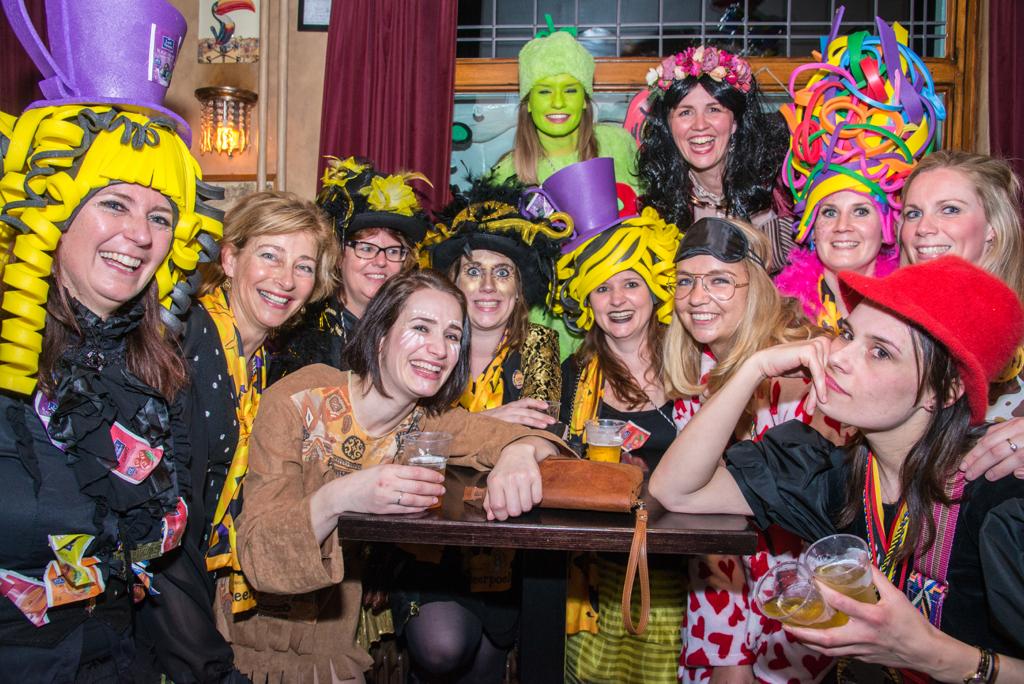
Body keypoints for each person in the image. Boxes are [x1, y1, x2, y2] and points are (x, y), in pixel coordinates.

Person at [650, 257, 1024, 682]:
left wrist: (936, 656)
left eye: (880, 352)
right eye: (846, 334)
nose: (840, 357)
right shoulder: (831, 473)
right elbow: (677, 490)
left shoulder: (1000, 501)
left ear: (944, 391)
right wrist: (755, 367)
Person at [0, 1, 224, 677]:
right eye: (113, 203)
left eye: (161, 215)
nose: (139, 235)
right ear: (54, 210)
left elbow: (165, 574)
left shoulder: (157, 368)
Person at [227, 269, 569, 682]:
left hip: (333, 641)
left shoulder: (425, 421)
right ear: (380, 335)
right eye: (421, 328)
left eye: (451, 336)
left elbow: (536, 438)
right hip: (257, 644)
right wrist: (343, 496)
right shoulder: (297, 401)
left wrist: (519, 452)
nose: (439, 349)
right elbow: (259, 554)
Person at [136, 192, 340, 681]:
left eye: (303, 266)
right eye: (270, 255)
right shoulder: (184, 338)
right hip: (148, 574)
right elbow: (158, 507)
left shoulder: (260, 358)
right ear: (229, 259)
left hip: (187, 574)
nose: (286, 280)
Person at [384, 182, 570, 683]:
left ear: (518, 289)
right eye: (473, 271)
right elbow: (404, 430)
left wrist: (487, 431)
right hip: (427, 539)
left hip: (507, 543)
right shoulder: (430, 344)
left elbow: (543, 434)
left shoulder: (539, 345)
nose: (487, 285)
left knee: (485, 665)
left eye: (502, 272)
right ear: (453, 283)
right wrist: (496, 420)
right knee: (442, 649)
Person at [661, 217, 840, 683]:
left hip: (808, 614)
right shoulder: (695, 375)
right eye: (685, 281)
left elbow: (824, 523)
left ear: (756, 288)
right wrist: (728, 653)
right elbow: (705, 529)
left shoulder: (802, 373)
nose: (696, 297)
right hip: (720, 600)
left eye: (719, 280)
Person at [553, 175, 682, 682]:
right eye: (602, 287)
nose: (617, 299)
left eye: (630, 282)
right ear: (587, 301)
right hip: (594, 576)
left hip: (681, 572)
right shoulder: (573, 377)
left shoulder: (692, 369)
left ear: (654, 289)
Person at [775, 11, 942, 331]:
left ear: (888, 226)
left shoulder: (918, 318)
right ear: (811, 228)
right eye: (828, 212)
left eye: (861, 211)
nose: (842, 226)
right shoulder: (775, 314)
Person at [898, 151, 1024, 482]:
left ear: (992, 228)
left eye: (950, 209)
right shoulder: (891, 332)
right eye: (913, 213)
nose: (923, 228)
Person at [269, 156, 431, 379]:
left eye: (393, 251)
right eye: (366, 248)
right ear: (338, 255)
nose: (381, 261)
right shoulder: (299, 332)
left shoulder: (415, 329)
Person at [637, 45, 793, 272]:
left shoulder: (780, 188)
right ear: (669, 127)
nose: (700, 125)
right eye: (685, 112)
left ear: (735, 122)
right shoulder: (660, 206)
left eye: (714, 110)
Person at [490, 23, 638, 190]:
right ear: (529, 102)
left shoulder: (617, 146)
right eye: (545, 92)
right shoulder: (504, 176)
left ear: (584, 99)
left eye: (570, 90)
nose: (558, 102)